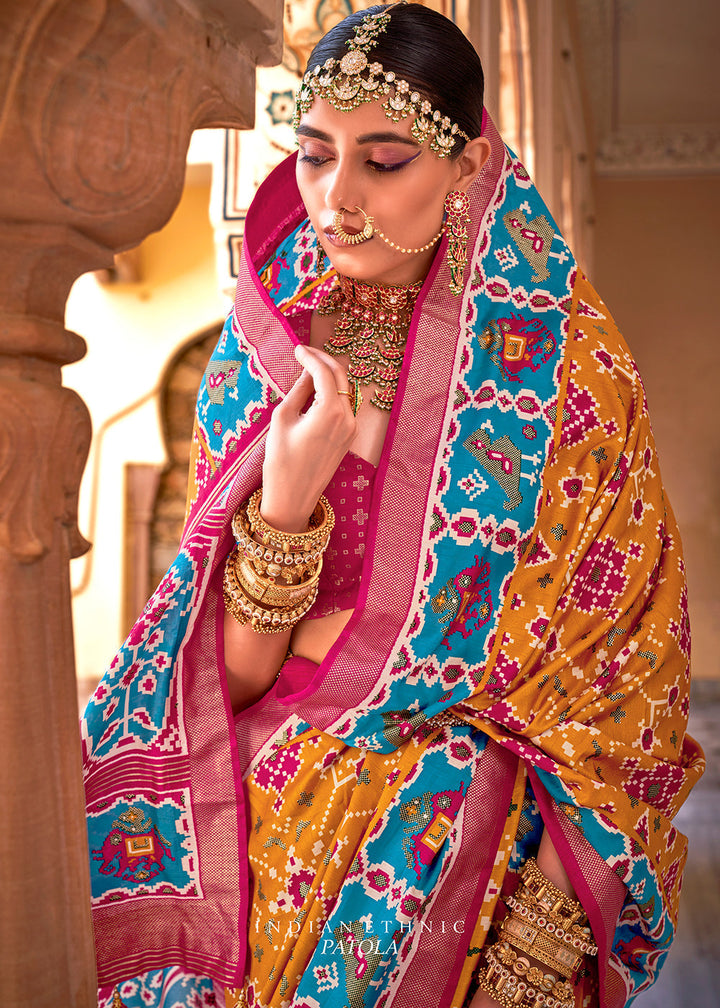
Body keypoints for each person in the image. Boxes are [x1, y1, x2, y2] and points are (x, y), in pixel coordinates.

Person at [81, 5, 704, 1007]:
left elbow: (626, 689)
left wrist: (529, 959)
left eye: (385, 161)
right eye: (317, 156)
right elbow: (225, 683)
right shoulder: (263, 352)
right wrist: (284, 503)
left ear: (466, 168)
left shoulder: (564, 380)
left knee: (438, 789)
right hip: (263, 799)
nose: (336, 200)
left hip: (468, 828)